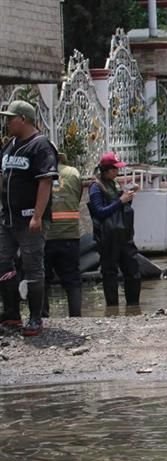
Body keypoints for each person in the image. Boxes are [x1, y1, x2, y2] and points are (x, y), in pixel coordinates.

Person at [0, 100, 59, 337]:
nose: (6, 122)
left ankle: (36, 317)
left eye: (10, 118)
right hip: (8, 219)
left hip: (30, 219)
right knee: (3, 262)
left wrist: (37, 215)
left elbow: (45, 182)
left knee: (33, 265)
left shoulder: (41, 146)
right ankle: (12, 313)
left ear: (23, 119)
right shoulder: (9, 146)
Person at [88, 152, 141, 308]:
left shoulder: (114, 184)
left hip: (124, 235)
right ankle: (112, 308)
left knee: (132, 270)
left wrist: (127, 196)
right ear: (106, 170)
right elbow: (99, 212)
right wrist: (121, 201)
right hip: (107, 237)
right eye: (115, 169)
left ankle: (133, 306)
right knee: (110, 273)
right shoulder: (95, 187)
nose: (117, 172)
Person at [43, 153, 84, 317]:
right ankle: (76, 316)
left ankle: (42, 316)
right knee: (72, 279)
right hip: (70, 234)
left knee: (42, 278)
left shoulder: (39, 174)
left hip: (45, 235)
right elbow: (78, 197)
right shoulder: (74, 173)